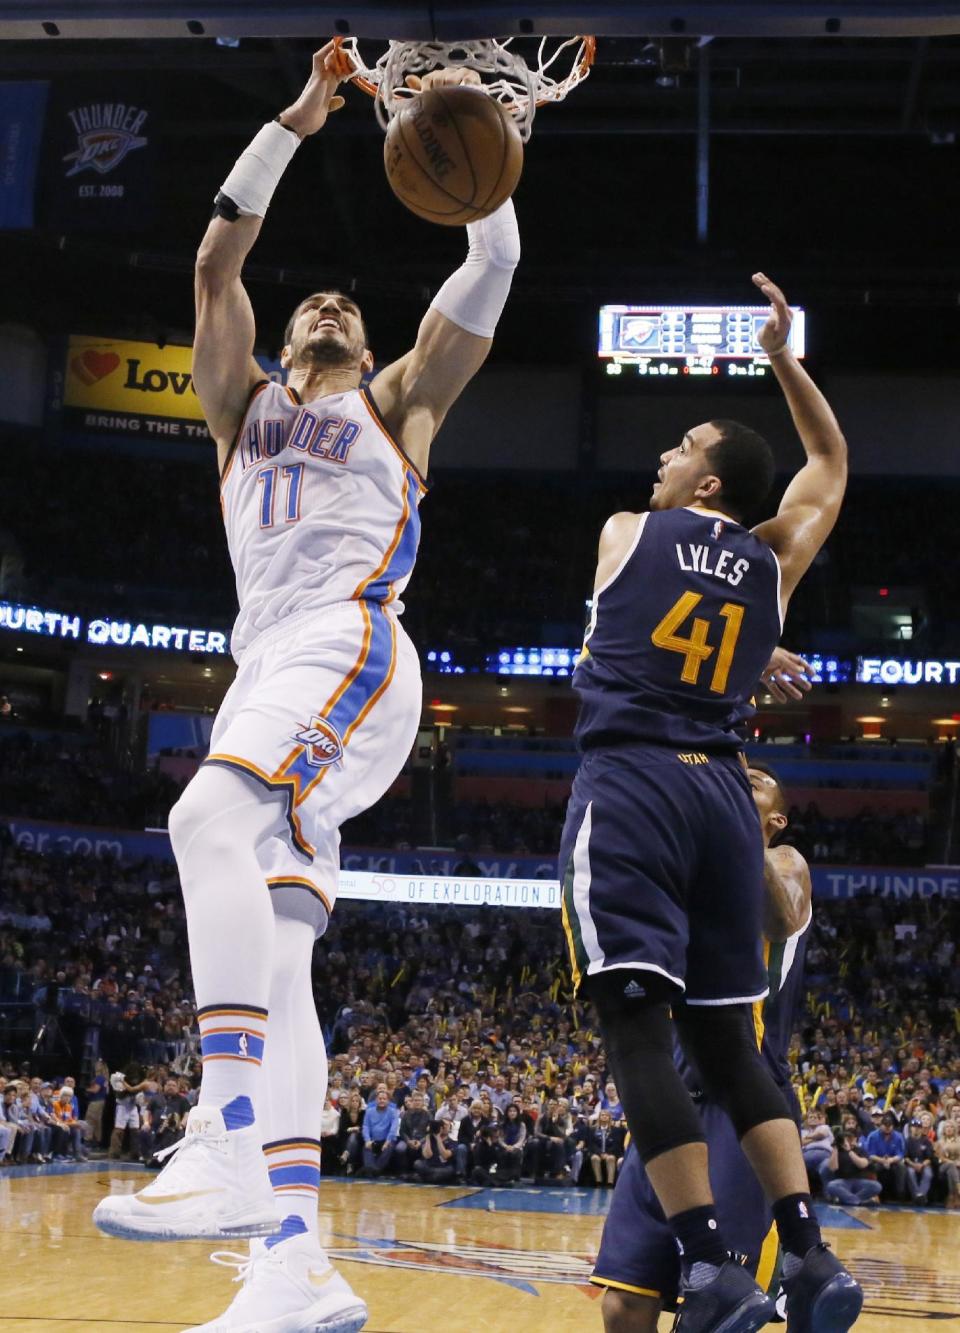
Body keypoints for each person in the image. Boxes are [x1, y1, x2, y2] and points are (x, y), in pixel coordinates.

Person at [92, 39, 519, 1333]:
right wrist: (293, 123)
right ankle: (295, 1265)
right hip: (268, 672)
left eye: (349, 305)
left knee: (202, 818)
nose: (331, 306)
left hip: (350, 643)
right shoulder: (241, 410)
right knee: (280, 967)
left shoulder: (401, 401)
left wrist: (482, 149)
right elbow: (216, 263)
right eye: (313, 307)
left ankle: (220, 1137)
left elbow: (489, 262)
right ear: (284, 342)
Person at [558, 272, 860, 1332]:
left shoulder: (621, 532)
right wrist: (784, 356)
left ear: (709, 486)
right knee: (731, 1045)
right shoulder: (773, 560)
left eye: (683, 445)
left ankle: (708, 1265)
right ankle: (813, 1258)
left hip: (634, 780)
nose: (664, 456)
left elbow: (644, 611)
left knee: (637, 1029)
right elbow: (829, 464)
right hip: (723, 797)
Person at [592, 762, 814, 1330]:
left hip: (745, 1106)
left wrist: (735, 825)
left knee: (719, 1310)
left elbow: (782, 919)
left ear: (777, 819)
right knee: (623, 1301)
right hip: (669, 1102)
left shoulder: (785, 862)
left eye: (758, 779)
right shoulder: (686, 869)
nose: (742, 772)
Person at [864, 1113, 906, 1201]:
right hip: (877, 1160)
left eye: (889, 1125)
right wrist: (882, 1160)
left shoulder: (898, 1136)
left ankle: (900, 1194)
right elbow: (870, 1154)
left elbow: (900, 1154)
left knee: (901, 1167)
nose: (887, 1127)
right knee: (873, 1167)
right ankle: (874, 1194)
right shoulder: (873, 1136)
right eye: (885, 1125)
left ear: (893, 1126)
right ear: (881, 1125)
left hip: (892, 1160)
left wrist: (891, 1160)